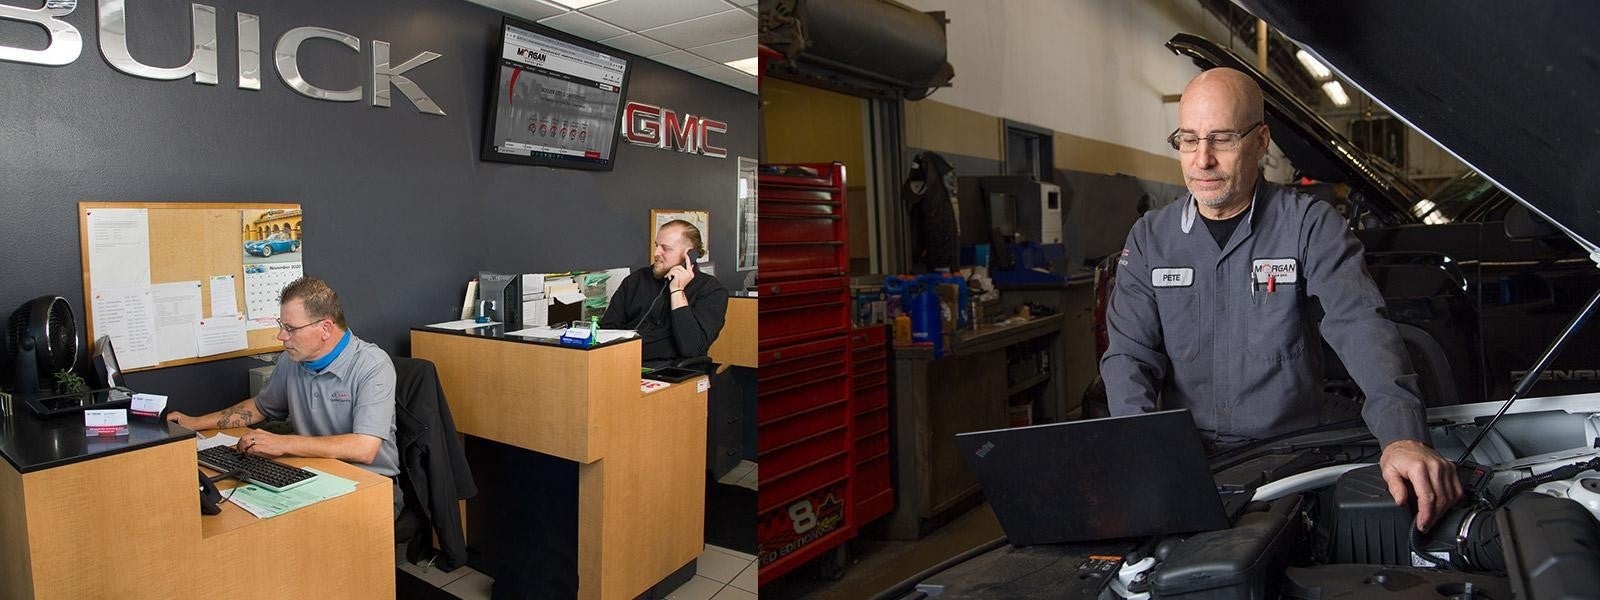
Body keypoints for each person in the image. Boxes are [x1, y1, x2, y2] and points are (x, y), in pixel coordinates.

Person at [1100, 68, 1462, 531]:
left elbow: (1360, 326)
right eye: (1188, 141)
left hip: (1291, 461)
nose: (1202, 160)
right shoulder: (1151, 239)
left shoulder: (1310, 226)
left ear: (1261, 140)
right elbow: (1129, 355)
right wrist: (1143, 446)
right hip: (1187, 462)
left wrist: (1402, 436)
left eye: (1222, 139)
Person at [169, 276, 401, 517]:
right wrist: (194, 423)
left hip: (371, 485)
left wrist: (283, 443)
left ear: (325, 329)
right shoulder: (293, 361)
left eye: (290, 328)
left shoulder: (372, 365)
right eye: (281, 325)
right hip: (316, 472)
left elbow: (364, 448)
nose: (281, 336)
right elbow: (260, 407)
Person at [600, 219, 729, 368]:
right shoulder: (635, 281)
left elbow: (692, 347)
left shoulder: (711, 290)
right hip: (622, 364)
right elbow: (607, 332)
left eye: (665, 248)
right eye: (656, 246)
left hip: (673, 374)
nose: (656, 253)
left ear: (690, 254)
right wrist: (665, 341)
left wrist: (677, 290)